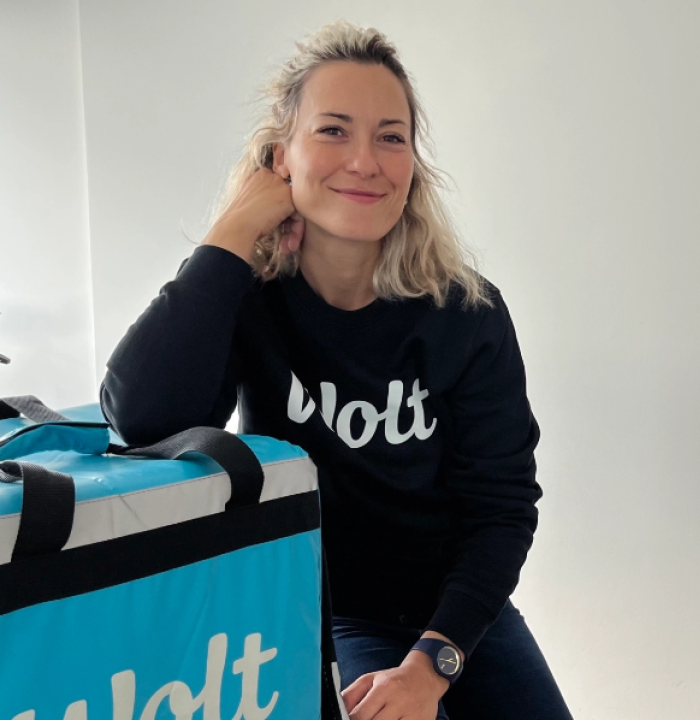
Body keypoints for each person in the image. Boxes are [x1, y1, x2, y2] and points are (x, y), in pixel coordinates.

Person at [99, 20, 572, 720]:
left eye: (391, 137)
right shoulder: (246, 297)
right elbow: (142, 419)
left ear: (412, 166)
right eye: (332, 131)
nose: (364, 161)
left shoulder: (466, 313)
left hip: (460, 613)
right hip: (325, 611)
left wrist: (433, 663)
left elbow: (502, 507)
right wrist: (232, 232)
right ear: (280, 158)